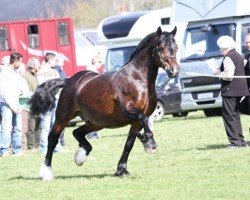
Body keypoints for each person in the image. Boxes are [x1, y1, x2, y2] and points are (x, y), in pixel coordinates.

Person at [215, 36, 250, 148]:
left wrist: (218, 74)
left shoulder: (228, 57)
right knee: (235, 116)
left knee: (229, 116)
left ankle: (235, 142)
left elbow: (229, 76)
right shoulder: (238, 55)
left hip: (231, 90)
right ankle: (241, 141)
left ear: (225, 48)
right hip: (240, 90)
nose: (221, 51)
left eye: (221, 49)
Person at [0, 52, 24, 157]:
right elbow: (3, 92)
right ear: (15, 61)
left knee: (18, 128)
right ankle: (4, 150)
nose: (21, 64)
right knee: (6, 127)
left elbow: (16, 87)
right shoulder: (4, 73)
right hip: (6, 104)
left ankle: (17, 149)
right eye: (20, 62)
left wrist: (20, 91)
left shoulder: (16, 73)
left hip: (16, 102)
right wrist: (12, 106)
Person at [37, 52, 61, 154]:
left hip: (46, 99)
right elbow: (59, 86)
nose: (56, 62)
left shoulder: (40, 72)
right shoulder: (54, 72)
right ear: (50, 60)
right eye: (55, 60)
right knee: (52, 125)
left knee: (47, 126)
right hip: (51, 99)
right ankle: (51, 148)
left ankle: (46, 148)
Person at [22, 57, 41, 151]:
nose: (39, 66)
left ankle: (38, 145)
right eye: (38, 64)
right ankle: (31, 146)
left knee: (38, 125)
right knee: (31, 126)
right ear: (33, 66)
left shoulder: (35, 75)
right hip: (30, 104)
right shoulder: (25, 75)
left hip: (38, 103)